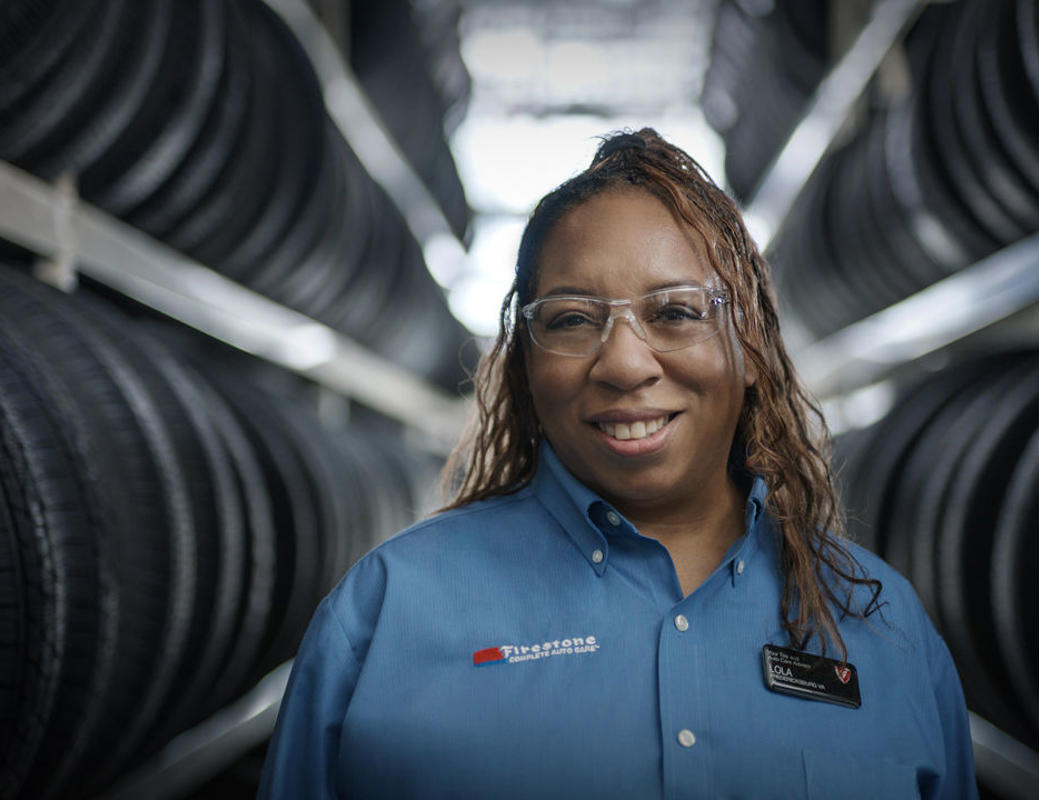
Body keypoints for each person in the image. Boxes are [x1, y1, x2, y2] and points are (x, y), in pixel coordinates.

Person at [258, 129, 977, 799]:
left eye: (675, 312)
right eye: (572, 319)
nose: (626, 363)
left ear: (750, 347)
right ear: (524, 364)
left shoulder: (884, 625)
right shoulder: (385, 611)